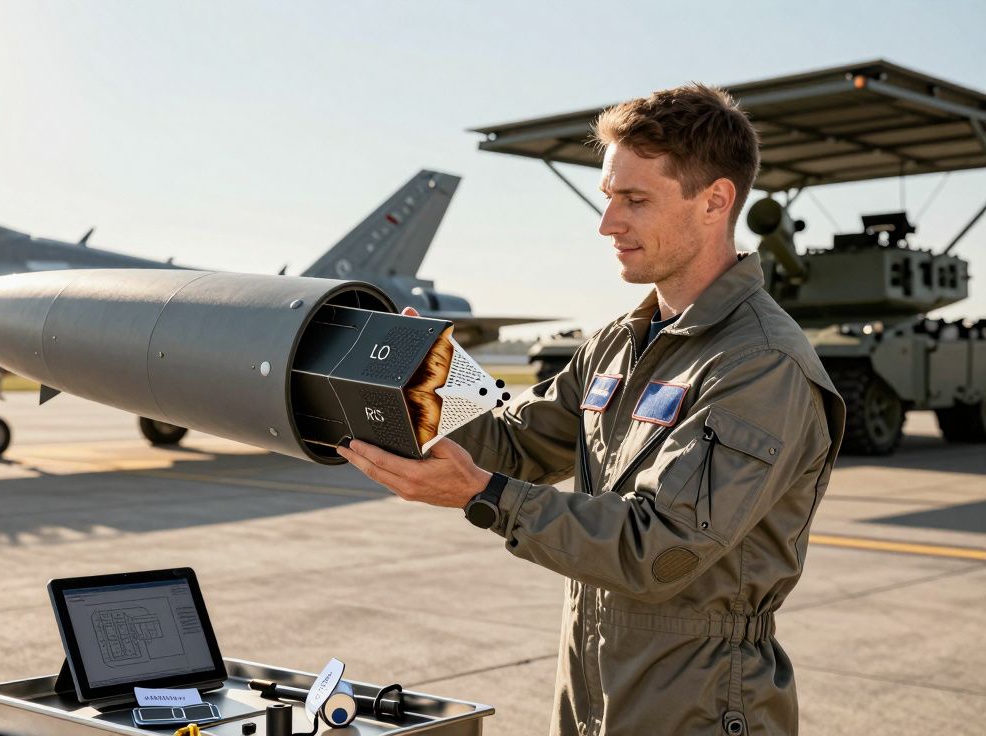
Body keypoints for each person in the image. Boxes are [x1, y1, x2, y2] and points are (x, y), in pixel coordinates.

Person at [337, 84, 846, 735]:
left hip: (698, 700)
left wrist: (482, 495)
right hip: (592, 680)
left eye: (636, 200)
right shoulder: (617, 342)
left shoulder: (761, 364)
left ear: (715, 201)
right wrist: (430, 384)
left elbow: (659, 549)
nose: (609, 224)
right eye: (610, 198)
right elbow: (519, 443)